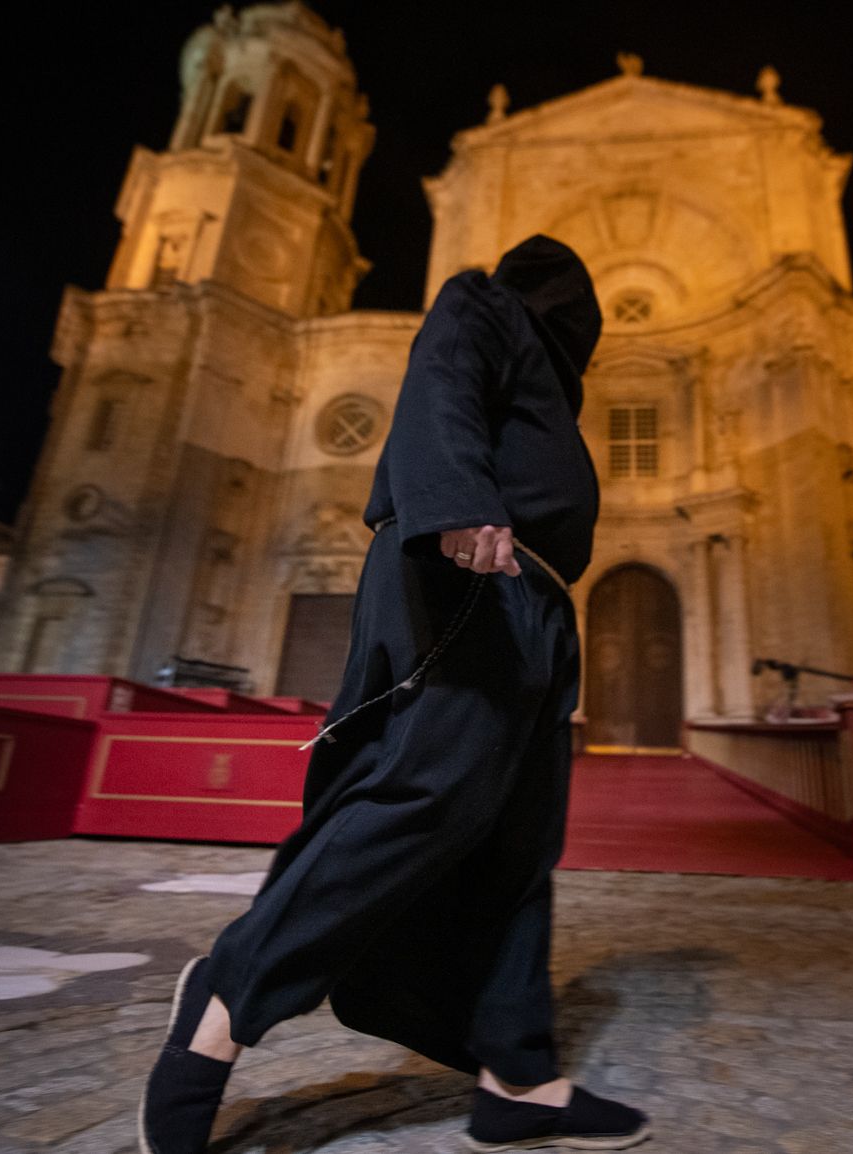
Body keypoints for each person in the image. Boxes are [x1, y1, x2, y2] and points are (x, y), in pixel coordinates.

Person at [137, 235, 650, 1153]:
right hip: (472, 571)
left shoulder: (549, 381)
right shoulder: (484, 304)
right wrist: (456, 500)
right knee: (421, 796)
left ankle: (518, 1078)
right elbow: (442, 378)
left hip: (538, 600)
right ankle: (227, 994)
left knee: (518, 842)